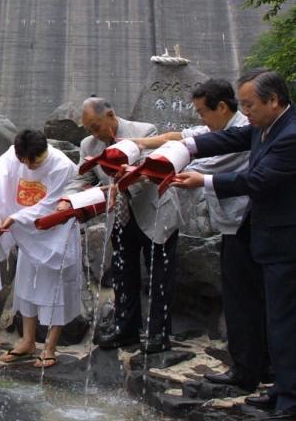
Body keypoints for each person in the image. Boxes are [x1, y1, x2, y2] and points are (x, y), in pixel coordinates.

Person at [172, 69, 295, 416]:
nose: (245, 111)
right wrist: (184, 147)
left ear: (273, 101)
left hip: (285, 242)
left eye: (248, 104)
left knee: (284, 320)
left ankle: (289, 399)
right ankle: (280, 388)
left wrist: (204, 182)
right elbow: (230, 139)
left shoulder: (290, 135)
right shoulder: (267, 125)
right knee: (273, 318)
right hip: (266, 237)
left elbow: (258, 179)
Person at [131, 78, 267, 391]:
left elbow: (202, 164)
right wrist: (141, 147)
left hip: (247, 225)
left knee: (246, 300)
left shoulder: (243, 132)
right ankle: (252, 365)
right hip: (232, 226)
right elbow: (185, 139)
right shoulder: (219, 129)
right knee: (241, 298)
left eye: (203, 111)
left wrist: (147, 171)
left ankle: (251, 369)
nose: (200, 119)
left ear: (222, 107)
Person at [68, 97, 181, 353]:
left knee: (159, 275)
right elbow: (82, 176)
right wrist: (69, 201)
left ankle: (158, 334)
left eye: (96, 126)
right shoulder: (89, 144)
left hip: (154, 212)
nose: (94, 134)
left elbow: (153, 173)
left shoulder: (144, 132)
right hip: (120, 215)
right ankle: (125, 329)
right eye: (89, 129)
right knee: (123, 273)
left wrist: (121, 184)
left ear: (111, 115)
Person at [0, 129, 79, 367]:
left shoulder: (62, 166)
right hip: (27, 235)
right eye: (24, 160)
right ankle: (27, 341)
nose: (28, 165)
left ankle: (50, 347)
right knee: (25, 289)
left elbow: (50, 206)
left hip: (55, 235)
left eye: (33, 161)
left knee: (54, 291)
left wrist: (16, 217)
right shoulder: (14, 157)